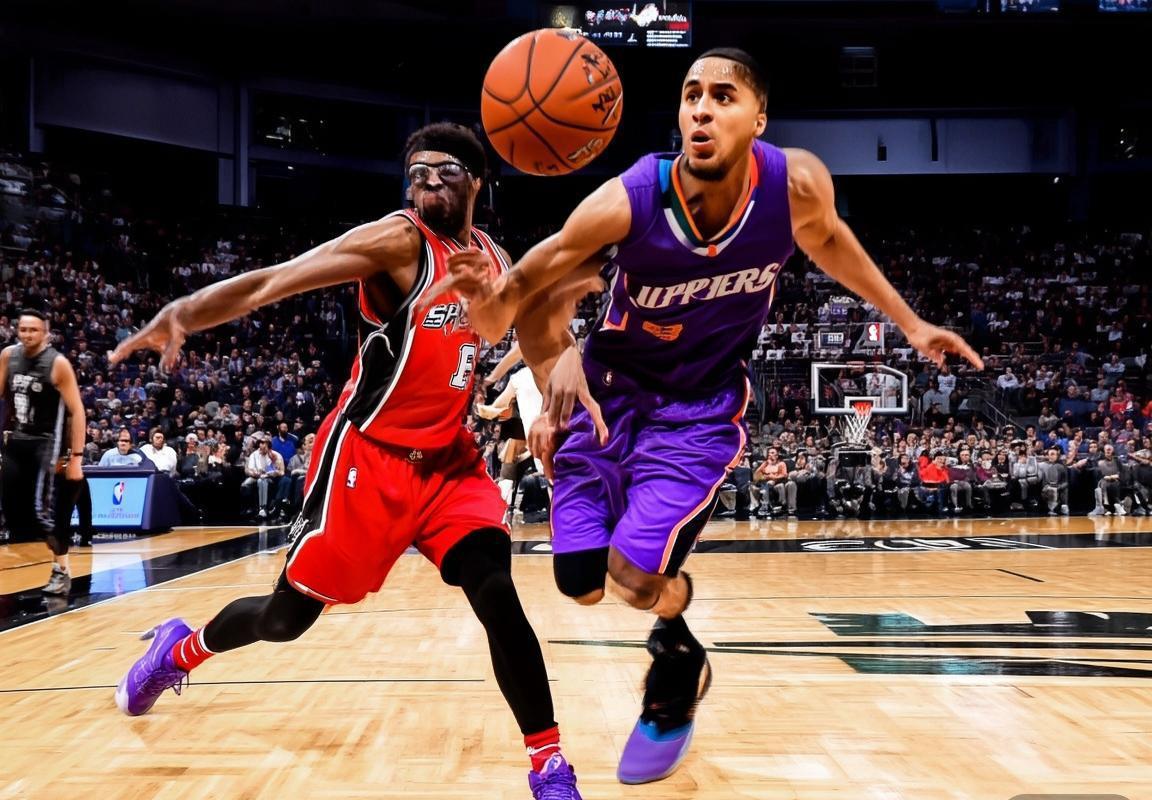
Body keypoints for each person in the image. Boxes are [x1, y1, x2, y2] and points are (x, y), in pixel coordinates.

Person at [435, 48, 983, 784]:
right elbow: (514, 303)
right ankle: (675, 627)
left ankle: (678, 653)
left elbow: (830, 243)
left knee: (632, 578)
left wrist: (911, 324)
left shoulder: (794, 185)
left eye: (723, 96)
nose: (701, 108)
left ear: (759, 118)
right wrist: (501, 311)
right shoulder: (629, 201)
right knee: (580, 583)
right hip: (609, 396)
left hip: (696, 410)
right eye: (691, 94)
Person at [109, 123, 585, 799]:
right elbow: (279, 279)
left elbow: (531, 337)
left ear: (478, 181)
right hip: (368, 459)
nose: (426, 183)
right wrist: (188, 309)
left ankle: (549, 765)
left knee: (496, 592)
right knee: (285, 619)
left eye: (443, 171)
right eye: (416, 173)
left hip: (448, 461)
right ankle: (180, 650)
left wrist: (552, 405)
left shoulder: (492, 255)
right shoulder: (398, 242)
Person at [0, 309, 87, 594]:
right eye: (23, 329)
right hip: (16, 440)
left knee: (43, 515)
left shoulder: (57, 364)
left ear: (46, 333)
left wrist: (76, 458)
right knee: (12, 511)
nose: (27, 335)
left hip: (46, 443)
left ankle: (61, 569)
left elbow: (77, 411)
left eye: (34, 330)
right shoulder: (8, 356)